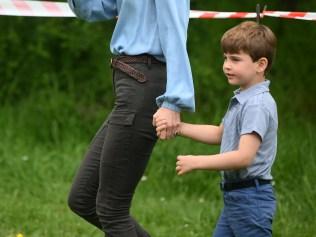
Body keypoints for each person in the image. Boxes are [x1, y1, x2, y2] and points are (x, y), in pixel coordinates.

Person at [67, 1, 195, 237]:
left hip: (145, 83)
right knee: (83, 198)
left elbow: (175, 28)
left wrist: (174, 100)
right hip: (129, 82)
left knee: (111, 211)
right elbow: (98, 8)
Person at [156, 21, 278, 237]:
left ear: (260, 64)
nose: (226, 65)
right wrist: (179, 127)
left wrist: (197, 162)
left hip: (251, 200)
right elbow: (220, 134)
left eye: (235, 59)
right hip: (237, 197)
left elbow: (244, 157)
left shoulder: (257, 105)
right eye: (225, 58)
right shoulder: (243, 99)